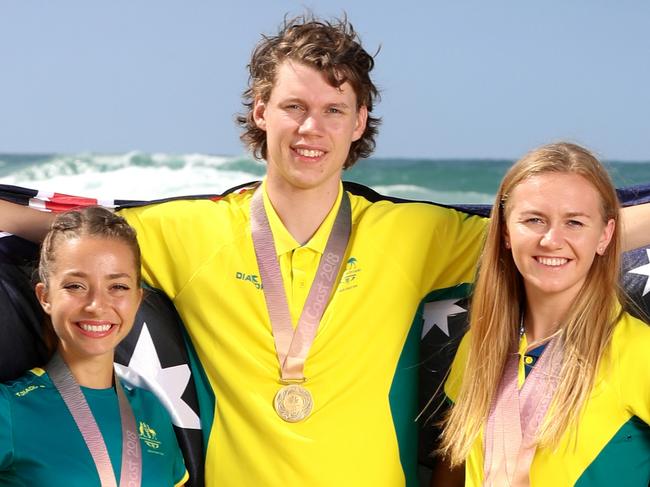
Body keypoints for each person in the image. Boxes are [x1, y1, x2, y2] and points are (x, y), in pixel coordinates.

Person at [1, 15, 650, 487]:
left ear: (360, 121)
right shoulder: (184, 230)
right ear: (260, 111)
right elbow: (64, 230)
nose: (313, 128)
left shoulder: (415, 234)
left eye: (335, 110)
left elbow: (550, 233)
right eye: (293, 106)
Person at [437, 143, 650, 486]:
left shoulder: (640, 351)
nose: (552, 240)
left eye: (575, 222)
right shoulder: (477, 347)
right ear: (506, 232)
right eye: (534, 220)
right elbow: (452, 467)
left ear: (605, 235)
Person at [0, 207, 188, 486]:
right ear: (45, 296)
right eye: (75, 286)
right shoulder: (9, 410)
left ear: (137, 299)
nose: (97, 305)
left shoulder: (153, 411)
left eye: (118, 287)